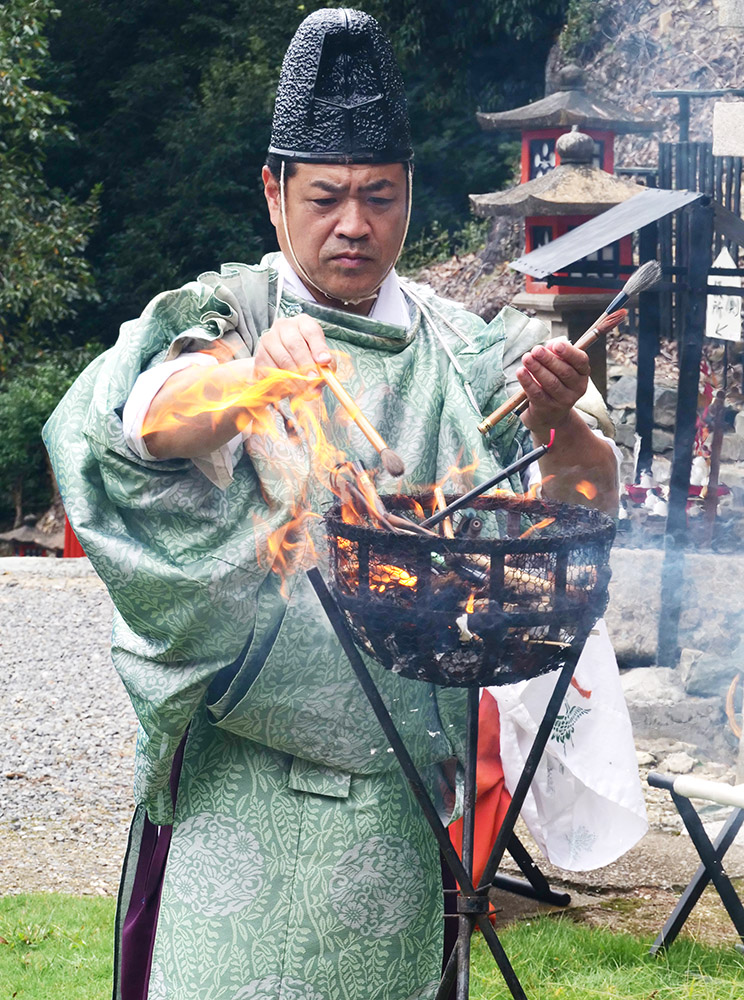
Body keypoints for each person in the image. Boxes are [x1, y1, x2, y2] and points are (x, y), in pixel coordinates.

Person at [45, 10, 640, 1000]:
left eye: (379, 196)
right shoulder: (223, 313)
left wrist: (560, 427)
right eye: (325, 198)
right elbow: (142, 416)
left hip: (400, 808)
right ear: (275, 196)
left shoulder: (466, 352)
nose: (353, 225)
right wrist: (247, 383)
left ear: (409, 198)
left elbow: (578, 516)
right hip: (235, 789)